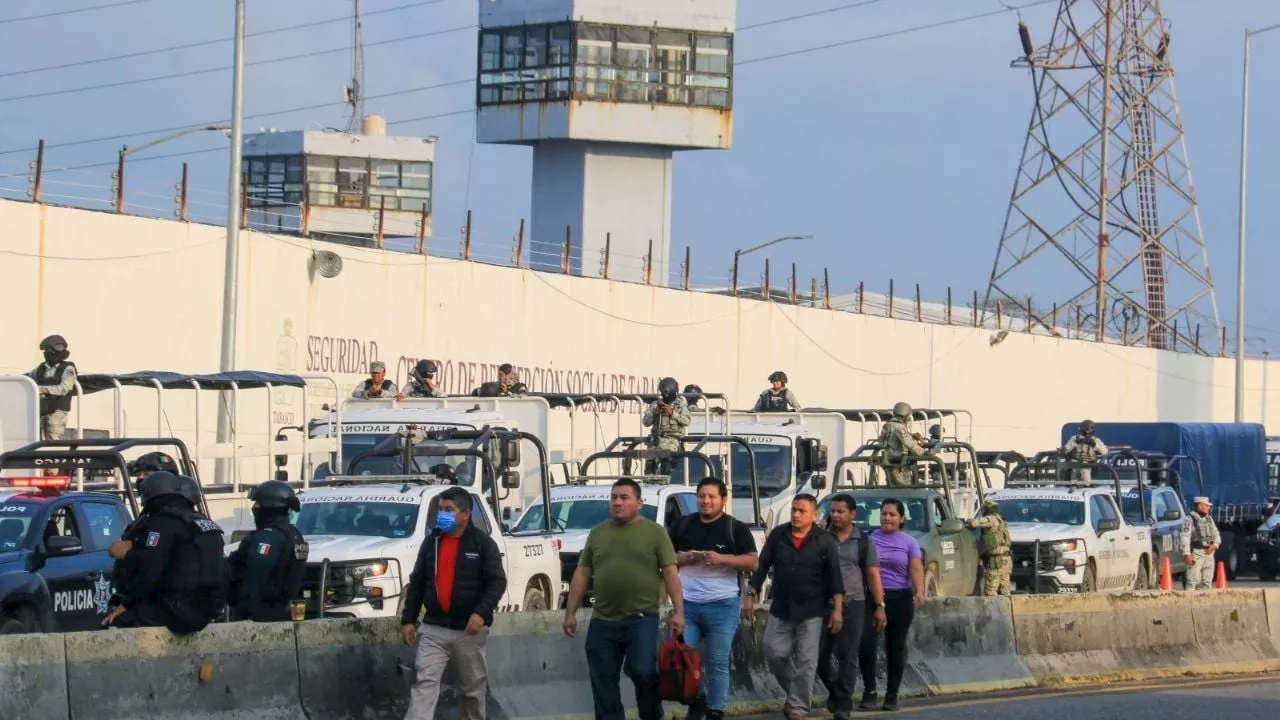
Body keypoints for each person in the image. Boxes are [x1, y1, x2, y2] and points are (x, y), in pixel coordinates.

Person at [563, 479, 684, 720]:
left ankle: (651, 714)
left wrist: (679, 611)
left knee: (642, 670)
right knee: (603, 679)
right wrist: (570, 612)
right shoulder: (598, 533)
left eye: (624, 497)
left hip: (641, 619)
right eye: (614, 497)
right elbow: (583, 573)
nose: (617, 502)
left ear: (639, 503)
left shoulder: (655, 532)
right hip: (603, 620)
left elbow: (670, 573)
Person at [401, 486, 508, 720]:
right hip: (434, 629)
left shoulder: (482, 544)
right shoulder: (432, 543)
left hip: (469, 631)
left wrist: (480, 614)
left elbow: (497, 582)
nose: (442, 515)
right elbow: (417, 582)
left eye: (449, 510)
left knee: (472, 691)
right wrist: (409, 619)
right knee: (424, 682)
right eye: (440, 509)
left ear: (465, 514)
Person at [667, 477, 759, 720]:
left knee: (718, 661)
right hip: (687, 604)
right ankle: (696, 699)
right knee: (685, 658)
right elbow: (666, 557)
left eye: (711, 497)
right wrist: (685, 558)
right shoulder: (683, 525)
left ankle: (716, 709)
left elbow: (752, 561)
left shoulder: (735, 528)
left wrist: (721, 559)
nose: (705, 501)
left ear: (723, 500)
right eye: (701, 496)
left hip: (723, 605)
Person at [746, 494, 844, 720]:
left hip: (812, 610)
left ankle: (798, 708)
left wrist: (837, 610)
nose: (796, 514)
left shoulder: (824, 540)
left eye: (802, 511)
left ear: (814, 515)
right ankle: (796, 693)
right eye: (794, 510)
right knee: (773, 651)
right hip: (782, 606)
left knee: (806, 661)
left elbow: (835, 578)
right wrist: (750, 594)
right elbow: (762, 568)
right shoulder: (779, 535)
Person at [102, 472, 228, 634]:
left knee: (111, 625)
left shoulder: (163, 523)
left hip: (178, 610)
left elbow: (151, 571)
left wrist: (126, 604)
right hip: (206, 610)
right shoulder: (205, 522)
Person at [818, 494, 885, 720]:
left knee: (848, 655)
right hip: (824, 605)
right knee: (819, 655)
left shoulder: (863, 541)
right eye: (833, 511)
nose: (835, 515)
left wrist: (879, 605)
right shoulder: (821, 538)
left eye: (840, 512)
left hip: (854, 604)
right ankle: (836, 691)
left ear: (852, 514)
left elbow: (873, 574)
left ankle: (844, 704)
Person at [858, 498, 925, 712]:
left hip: (900, 599)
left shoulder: (909, 542)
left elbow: (915, 568)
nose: (887, 518)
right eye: (884, 514)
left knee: (895, 647)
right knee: (866, 644)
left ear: (901, 518)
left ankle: (892, 694)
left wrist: (920, 591)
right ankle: (869, 691)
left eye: (892, 515)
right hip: (873, 598)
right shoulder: (869, 539)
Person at [227, 480, 309, 622]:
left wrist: (244, 607)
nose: (254, 507)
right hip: (280, 610)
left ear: (270, 506)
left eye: (257, 503)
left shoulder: (268, 537)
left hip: (257, 615)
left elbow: (255, 578)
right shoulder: (293, 534)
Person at [27, 334, 77, 441]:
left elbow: (63, 389)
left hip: (56, 412)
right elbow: (27, 379)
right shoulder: (41, 368)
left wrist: (40, 389)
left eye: (49, 352)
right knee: (35, 440)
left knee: (52, 440)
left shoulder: (68, 369)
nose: (46, 354)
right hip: (41, 410)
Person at [642, 377, 690, 475]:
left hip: (672, 439)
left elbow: (686, 421)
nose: (665, 396)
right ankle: (649, 483)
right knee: (649, 464)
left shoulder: (680, 405)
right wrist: (655, 412)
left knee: (666, 463)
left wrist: (672, 413)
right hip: (656, 439)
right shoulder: (655, 404)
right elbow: (645, 422)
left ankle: (664, 483)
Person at [877, 403, 929, 487]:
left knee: (891, 486)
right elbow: (909, 443)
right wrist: (924, 452)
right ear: (905, 415)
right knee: (904, 487)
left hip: (888, 460)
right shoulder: (900, 427)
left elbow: (884, 440)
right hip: (899, 463)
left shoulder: (887, 425)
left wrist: (912, 435)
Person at [969, 499, 1012, 596]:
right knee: (1004, 590)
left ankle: (993, 611)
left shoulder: (991, 519)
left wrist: (967, 521)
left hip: (996, 560)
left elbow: (974, 523)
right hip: (1006, 559)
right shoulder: (1001, 520)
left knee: (990, 591)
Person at [1180, 496, 1220, 591]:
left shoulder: (1209, 519)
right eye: (1207, 505)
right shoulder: (1189, 519)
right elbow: (1184, 536)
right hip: (1196, 553)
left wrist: (1214, 545)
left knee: (1207, 581)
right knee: (1193, 580)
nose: (1208, 507)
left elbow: (1216, 534)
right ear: (1200, 506)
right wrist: (1187, 554)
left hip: (1209, 554)